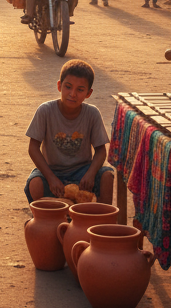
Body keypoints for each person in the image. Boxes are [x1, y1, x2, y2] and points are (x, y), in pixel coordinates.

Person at [23, 59, 112, 205]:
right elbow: (33, 148)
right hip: (52, 171)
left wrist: (90, 175)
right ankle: (60, 208)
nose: (73, 94)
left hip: (82, 172)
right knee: (35, 184)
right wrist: (51, 178)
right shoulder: (45, 111)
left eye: (80, 90)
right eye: (68, 87)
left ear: (89, 93)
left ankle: (100, 217)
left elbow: (101, 151)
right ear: (59, 86)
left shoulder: (92, 114)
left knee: (107, 176)